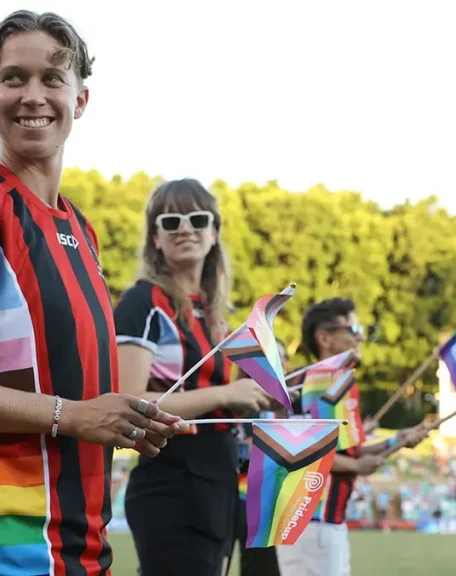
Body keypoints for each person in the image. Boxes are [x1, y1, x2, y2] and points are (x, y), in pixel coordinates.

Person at [0, 11, 184, 576]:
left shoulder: (81, 230)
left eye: (52, 78)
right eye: (13, 78)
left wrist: (127, 418)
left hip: (74, 555)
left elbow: (75, 391)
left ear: (80, 99)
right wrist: (72, 416)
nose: (33, 96)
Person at [114, 178, 279, 576]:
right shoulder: (143, 302)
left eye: (197, 219)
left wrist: (260, 391)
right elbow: (128, 402)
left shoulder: (217, 314)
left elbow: (223, 400)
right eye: (171, 222)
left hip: (220, 479)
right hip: (171, 480)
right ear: (156, 238)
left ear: (215, 232)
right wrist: (228, 393)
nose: (185, 229)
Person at [276, 298, 429, 576]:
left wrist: (398, 441)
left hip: (313, 524)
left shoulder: (326, 381)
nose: (360, 336)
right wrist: (357, 467)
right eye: (352, 329)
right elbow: (305, 453)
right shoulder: (323, 383)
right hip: (313, 523)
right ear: (324, 338)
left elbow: (344, 454)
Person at [228, 339, 291, 576]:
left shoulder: (281, 403)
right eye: (276, 358)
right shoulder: (245, 401)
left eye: (284, 358)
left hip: (273, 502)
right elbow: (237, 450)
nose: (283, 364)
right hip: (246, 502)